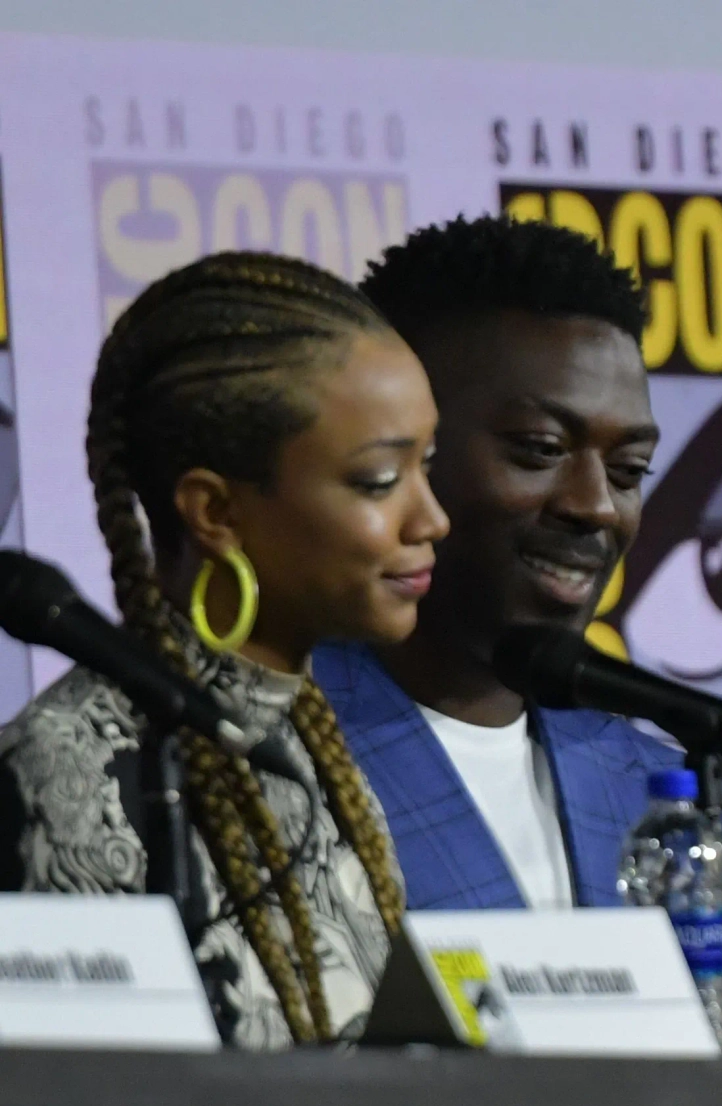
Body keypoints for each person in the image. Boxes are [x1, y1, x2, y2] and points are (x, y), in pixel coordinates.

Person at [309, 215, 722, 1053]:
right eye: (539, 449)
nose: (596, 504)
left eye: (629, 470)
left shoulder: (669, 794)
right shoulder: (264, 757)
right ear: (399, 455)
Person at [0, 252, 448, 1049]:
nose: (432, 518)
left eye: (429, 464)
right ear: (214, 511)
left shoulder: (309, 739)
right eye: (381, 479)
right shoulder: (65, 770)